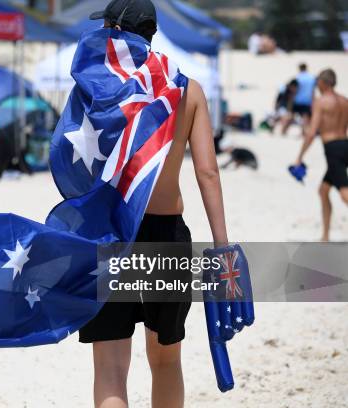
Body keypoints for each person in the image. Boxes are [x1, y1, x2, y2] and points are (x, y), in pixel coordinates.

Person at [80, 1, 231, 407]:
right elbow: (208, 174)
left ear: (113, 29)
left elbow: (75, 160)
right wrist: (222, 245)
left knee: (110, 365)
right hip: (166, 233)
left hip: (112, 233)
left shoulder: (95, 87)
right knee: (166, 360)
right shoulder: (187, 90)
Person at [294, 69, 348, 241]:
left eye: (318, 82)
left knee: (344, 192)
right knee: (323, 190)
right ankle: (325, 236)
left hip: (332, 149)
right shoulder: (344, 101)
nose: (316, 85)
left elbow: (311, 133)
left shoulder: (321, 102)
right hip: (345, 144)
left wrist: (300, 156)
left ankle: (325, 236)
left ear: (324, 83)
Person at [283, 63, 317, 135]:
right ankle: (304, 133)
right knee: (305, 118)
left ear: (299, 69)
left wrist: (290, 101)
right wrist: (313, 102)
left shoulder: (298, 78)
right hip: (307, 101)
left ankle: (283, 131)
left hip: (297, 100)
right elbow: (313, 91)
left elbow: (293, 90)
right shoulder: (312, 78)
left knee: (290, 116)